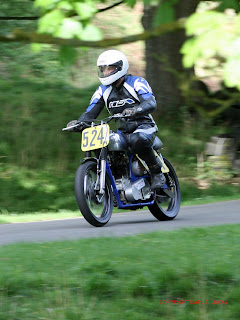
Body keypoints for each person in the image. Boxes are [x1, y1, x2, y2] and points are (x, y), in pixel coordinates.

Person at [67, 49, 165, 190]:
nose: (106, 72)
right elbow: (90, 113)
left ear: (120, 67)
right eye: (103, 69)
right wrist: (79, 123)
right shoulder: (102, 90)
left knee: (137, 139)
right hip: (122, 131)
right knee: (105, 144)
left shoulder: (137, 82)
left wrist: (135, 110)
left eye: (110, 68)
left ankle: (157, 173)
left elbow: (151, 103)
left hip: (144, 126)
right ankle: (116, 178)